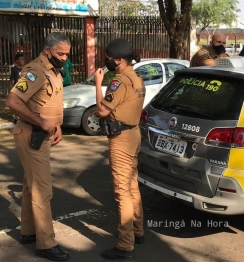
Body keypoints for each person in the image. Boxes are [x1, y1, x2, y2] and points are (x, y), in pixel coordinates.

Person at [6, 32, 71, 261]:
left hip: (41, 133)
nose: (64, 58)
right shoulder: (35, 72)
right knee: (42, 190)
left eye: (66, 54)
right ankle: (46, 244)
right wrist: (43, 122)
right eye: (60, 54)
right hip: (32, 133)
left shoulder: (53, 70)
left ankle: (28, 232)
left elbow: (48, 103)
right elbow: (13, 101)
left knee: (29, 185)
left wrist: (57, 125)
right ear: (47, 50)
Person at [94, 38, 145, 260]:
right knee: (132, 185)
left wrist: (98, 83)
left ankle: (125, 245)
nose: (107, 62)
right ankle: (137, 231)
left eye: (109, 58)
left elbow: (102, 111)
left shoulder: (119, 81)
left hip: (122, 138)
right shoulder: (137, 78)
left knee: (121, 191)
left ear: (119, 60)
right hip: (133, 134)